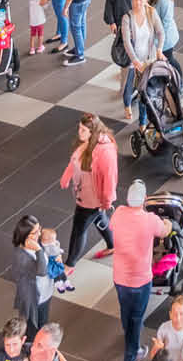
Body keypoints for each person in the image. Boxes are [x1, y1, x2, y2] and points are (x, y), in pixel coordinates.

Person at [58, 113, 119, 289]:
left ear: (93, 132)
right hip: (85, 193)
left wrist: (106, 202)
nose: (79, 132)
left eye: (83, 130)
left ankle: (70, 264)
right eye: (79, 128)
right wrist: (66, 176)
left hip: (92, 199)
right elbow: (77, 159)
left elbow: (109, 179)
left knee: (79, 229)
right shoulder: (89, 144)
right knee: (100, 219)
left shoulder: (105, 152)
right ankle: (112, 245)